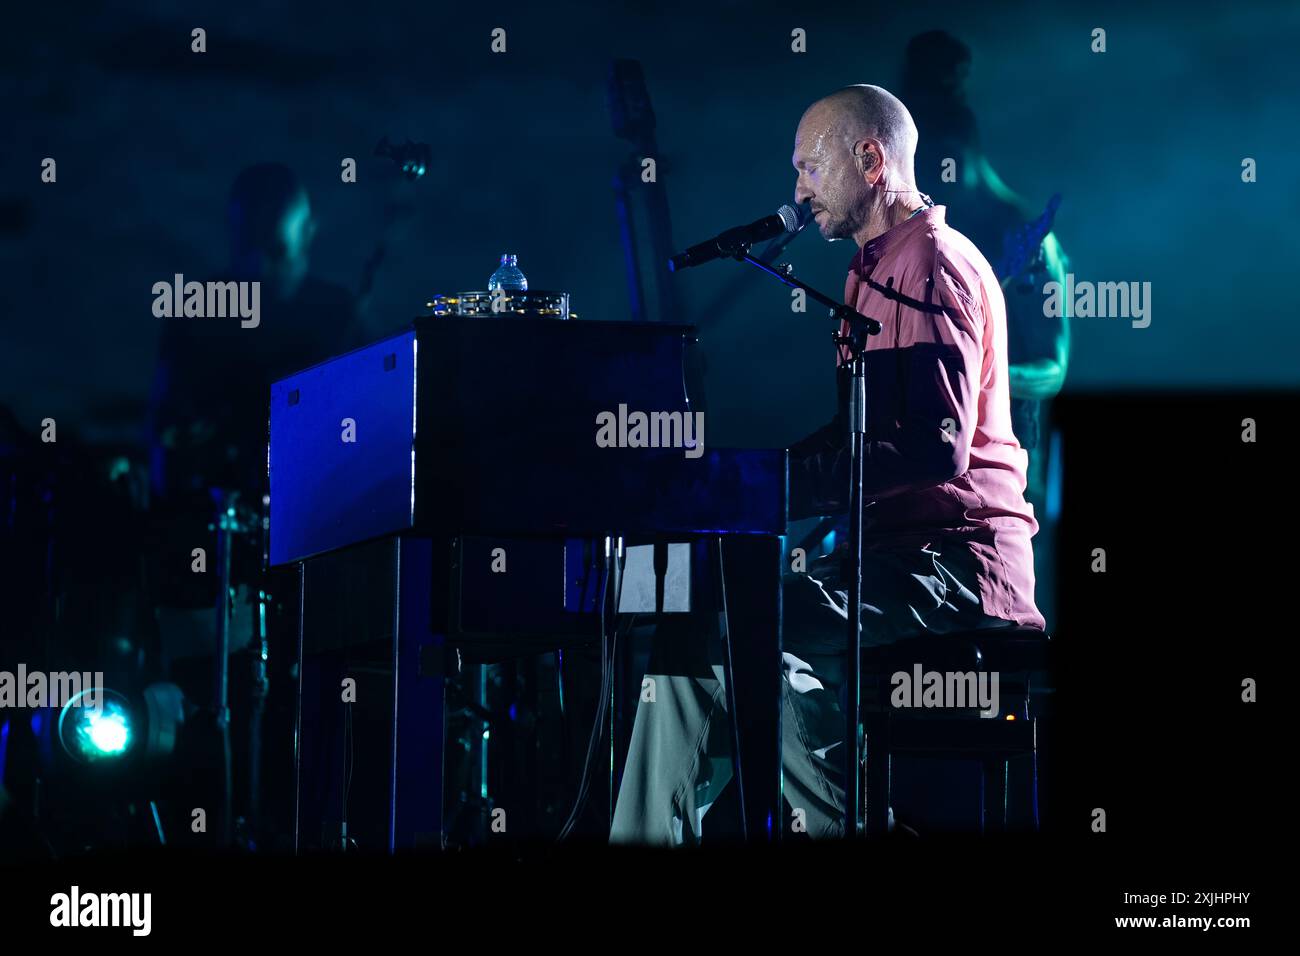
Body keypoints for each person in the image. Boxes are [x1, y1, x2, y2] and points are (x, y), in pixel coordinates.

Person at [610, 85, 1043, 843]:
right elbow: (858, 437)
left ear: (870, 160)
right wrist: (746, 478)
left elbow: (932, 446)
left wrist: (764, 487)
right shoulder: (874, 270)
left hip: (953, 566)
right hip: (897, 556)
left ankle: (845, 825)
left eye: (809, 169)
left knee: (749, 628)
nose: (798, 191)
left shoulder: (928, 264)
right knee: (697, 627)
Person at [901, 30, 1070, 628]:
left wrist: (976, 375)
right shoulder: (909, 247)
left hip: (1005, 466)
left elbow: (1053, 370)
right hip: (926, 476)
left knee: (1003, 614)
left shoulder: (1025, 235)